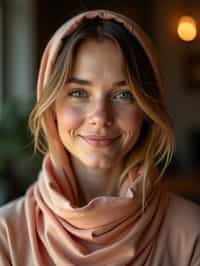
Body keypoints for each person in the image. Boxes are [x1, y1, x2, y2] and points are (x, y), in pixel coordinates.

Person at [0, 9, 200, 266]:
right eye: (79, 93)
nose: (100, 116)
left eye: (123, 94)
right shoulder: (6, 235)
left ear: (147, 109)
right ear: (51, 106)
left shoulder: (191, 234)